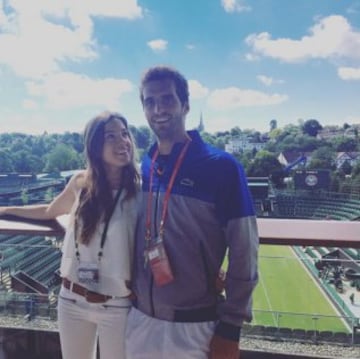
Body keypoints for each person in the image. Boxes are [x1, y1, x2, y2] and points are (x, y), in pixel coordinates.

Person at [126, 66, 259, 359]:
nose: (158, 108)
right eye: (149, 101)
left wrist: (231, 328)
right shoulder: (143, 167)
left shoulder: (221, 167)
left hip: (194, 327)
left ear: (185, 105)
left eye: (167, 99)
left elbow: (245, 250)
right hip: (138, 319)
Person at [0, 111, 140, 359]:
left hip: (117, 304)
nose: (123, 141)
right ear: (95, 146)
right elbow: (49, 210)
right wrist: (6, 210)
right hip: (72, 299)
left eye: (124, 134)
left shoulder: (141, 190)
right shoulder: (80, 183)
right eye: (111, 136)